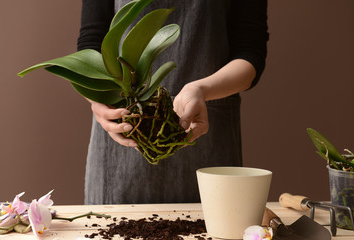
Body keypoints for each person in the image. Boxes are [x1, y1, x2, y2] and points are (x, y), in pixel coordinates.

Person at [77, 0, 269, 204]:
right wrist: (98, 100)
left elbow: (250, 51)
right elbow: (90, 44)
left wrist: (202, 90)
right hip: (124, 133)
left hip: (206, 139)